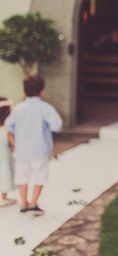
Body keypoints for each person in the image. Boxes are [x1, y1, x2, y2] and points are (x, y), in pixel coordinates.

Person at [5, 76, 63, 216]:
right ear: (42, 91)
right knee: (39, 176)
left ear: (24, 91)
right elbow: (57, 125)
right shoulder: (45, 108)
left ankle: (23, 204)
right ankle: (33, 204)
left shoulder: (18, 109)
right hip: (40, 149)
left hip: (21, 151)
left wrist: (14, 142)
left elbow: (9, 125)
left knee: (22, 177)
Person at [0, 97, 16, 207]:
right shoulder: (7, 128)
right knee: (4, 174)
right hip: (4, 155)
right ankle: (3, 198)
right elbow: (12, 142)